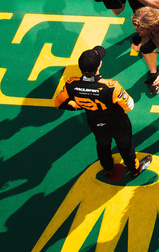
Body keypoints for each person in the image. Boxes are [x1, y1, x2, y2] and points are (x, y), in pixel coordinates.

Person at [53, 46, 152, 180]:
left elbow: (59, 103)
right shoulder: (111, 86)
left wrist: (78, 106)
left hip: (95, 123)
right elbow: (130, 105)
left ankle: (107, 169)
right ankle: (135, 170)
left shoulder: (71, 84)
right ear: (99, 65)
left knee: (102, 145)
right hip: (119, 124)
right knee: (126, 147)